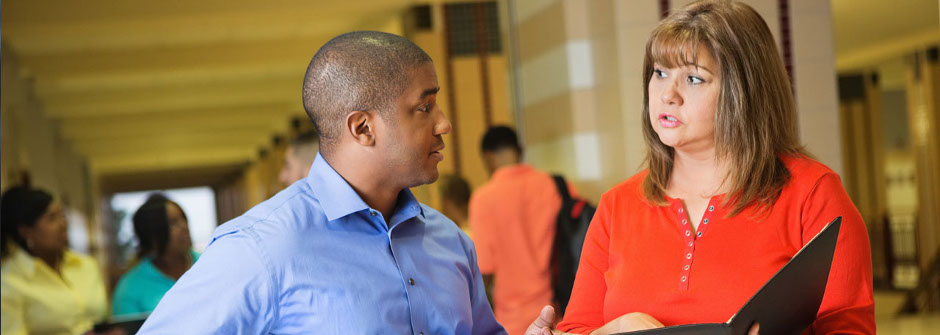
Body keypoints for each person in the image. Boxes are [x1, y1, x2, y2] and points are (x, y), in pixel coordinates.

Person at [526, 1, 875, 334]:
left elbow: (849, 329)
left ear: (745, 92)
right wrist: (612, 331)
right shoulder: (617, 207)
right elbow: (578, 328)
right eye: (660, 73)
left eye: (694, 79)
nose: (667, 94)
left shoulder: (812, 194)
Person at [137, 31, 504, 334]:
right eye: (425, 108)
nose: (444, 124)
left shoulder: (450, 241)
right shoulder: (261, 249)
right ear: (363, 128)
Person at [470, 125, 574, 335]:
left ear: (488, 157)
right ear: (520, 151)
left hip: (512, 320)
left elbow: (485, 270)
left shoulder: (483, 199)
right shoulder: (555, 185)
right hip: (560, 314)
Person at [1, 187, 109, 334]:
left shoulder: (85, 265)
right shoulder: (9, 282)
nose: (63, 225)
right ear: (26, 231)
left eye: (62, 216)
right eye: (52, 218)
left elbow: (102, 319)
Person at [111, 194, 199, 316]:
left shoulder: (209, 264)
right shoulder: (130, 287)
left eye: (184, 219)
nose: (184, 227)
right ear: (151, 236)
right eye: (173, 223)